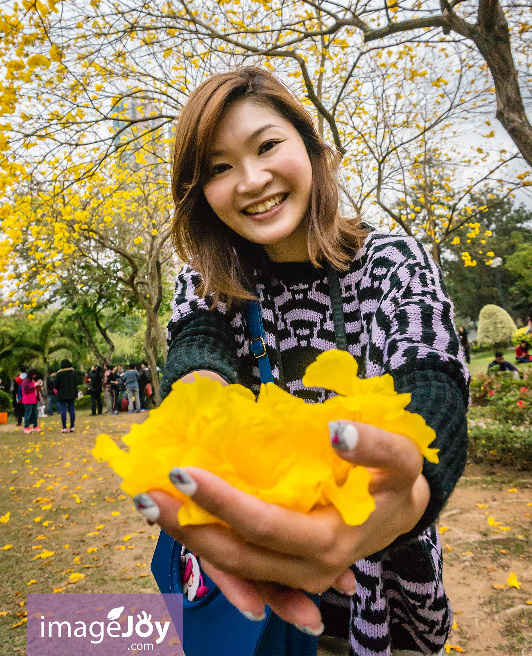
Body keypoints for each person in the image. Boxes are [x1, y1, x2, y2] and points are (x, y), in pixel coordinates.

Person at [133, 68, 469, 656]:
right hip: (253, 578)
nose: (252, 180)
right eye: (219, 168)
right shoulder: (208, 281)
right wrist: (195, 405)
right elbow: (198, 349)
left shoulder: (392, 263)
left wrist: (410, 483)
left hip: (378, 575)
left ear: (311, 149)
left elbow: (432, 377)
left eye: (267, 146)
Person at [54, 358, 78, 432]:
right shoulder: (73, 373)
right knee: (71, 410)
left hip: (62, 395)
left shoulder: (59, 374)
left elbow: (55, 385)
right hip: (71, 394)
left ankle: (64, 427)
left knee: (63, 411)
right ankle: (72, 426)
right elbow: (77, 382)